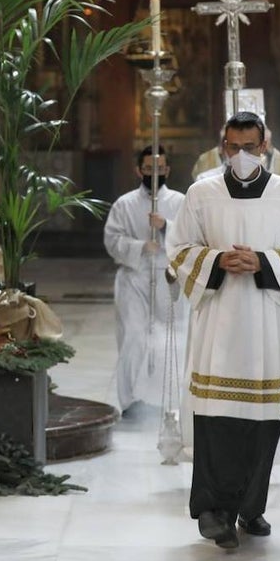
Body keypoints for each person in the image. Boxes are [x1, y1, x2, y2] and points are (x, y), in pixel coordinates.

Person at [166, 111, 280, 550]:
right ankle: (215, 511)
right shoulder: (201, 192)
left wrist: (263, 261)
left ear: (265, 146)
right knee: (218, 421)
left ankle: (251, 507)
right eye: (234, 147)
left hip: (270, 324)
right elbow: (178, 249)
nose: (242, 156)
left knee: (264, 421)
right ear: (222, 146)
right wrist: (215, 261)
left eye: (251, 147)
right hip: (221, 322)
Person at [103, 145, 188, 413]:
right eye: (149, 169)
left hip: (168, 276)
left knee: (170, 337)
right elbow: (112, 240)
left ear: (168, 170)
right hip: (135, 276)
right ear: (138, 170)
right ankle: (130, 401)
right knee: (134, 337)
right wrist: (140, 247)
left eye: (160, 169)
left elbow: (191, 236)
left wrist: (166, 228)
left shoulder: (179, 202)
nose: (155, 174)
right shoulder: (124, 204)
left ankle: (168, 399)